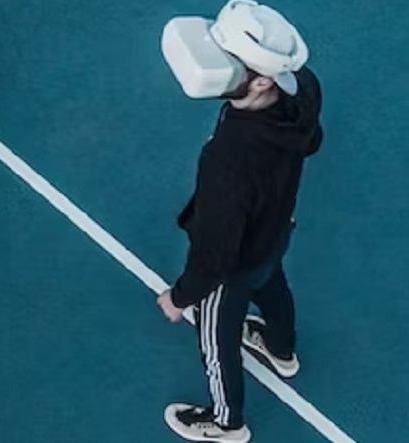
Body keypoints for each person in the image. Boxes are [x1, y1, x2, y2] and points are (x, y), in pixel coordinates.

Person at [155, 1, 323, 441]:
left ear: (263, 79)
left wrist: (180, 297)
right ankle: (281, 349)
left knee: (217, 341)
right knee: (272, 284)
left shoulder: (228, 160)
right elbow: (313, 140)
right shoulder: (303, 88)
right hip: (275, 230)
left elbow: (216, 255)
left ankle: (226, 422)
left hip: (233, 266)